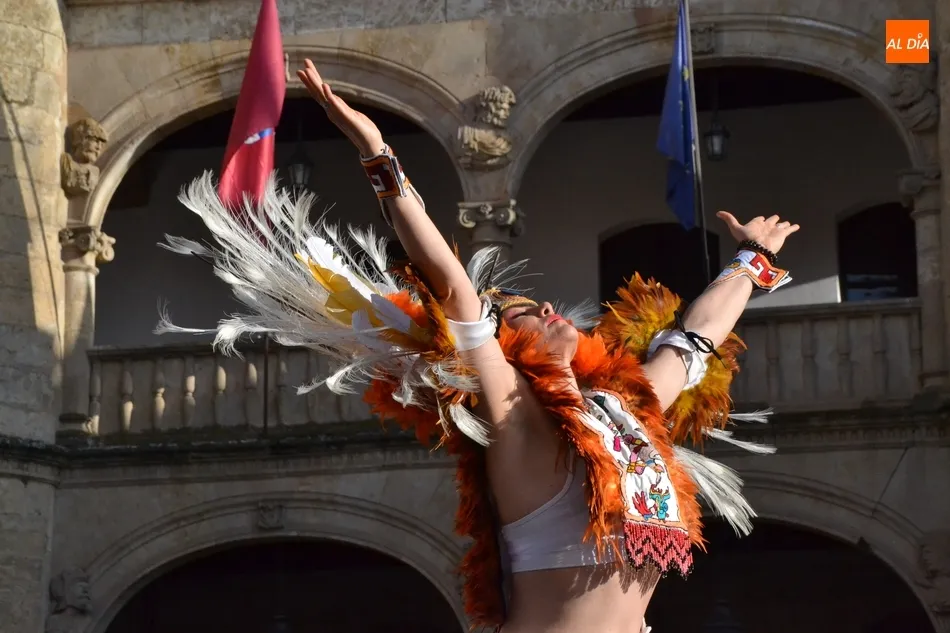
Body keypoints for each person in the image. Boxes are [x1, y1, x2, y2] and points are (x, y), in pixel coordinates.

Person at [159, 59, 800, 633]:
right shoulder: (519, 422)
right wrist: (381, 157)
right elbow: (456, 290)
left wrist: (751, 261)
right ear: (503, 348)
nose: (548, 308)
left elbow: (697, 337)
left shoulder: (628, 412)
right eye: (521, 314)